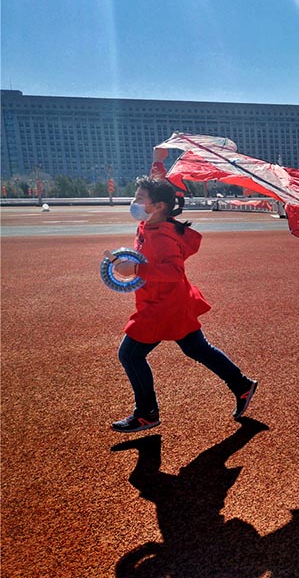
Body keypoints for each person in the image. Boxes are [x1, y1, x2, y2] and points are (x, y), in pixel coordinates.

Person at [108, 168, 257, 433]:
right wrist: (158, 161)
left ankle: (147, 413)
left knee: (129, 355)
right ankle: (241, 385)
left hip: (163, 307)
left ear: (158, 206)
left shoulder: (163, 236)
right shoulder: (149, 223)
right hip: (165, 302)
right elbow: (161, 184)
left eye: (140, 198)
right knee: (196, 348)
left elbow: (174, 273)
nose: (135, 202)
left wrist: (136, 270)